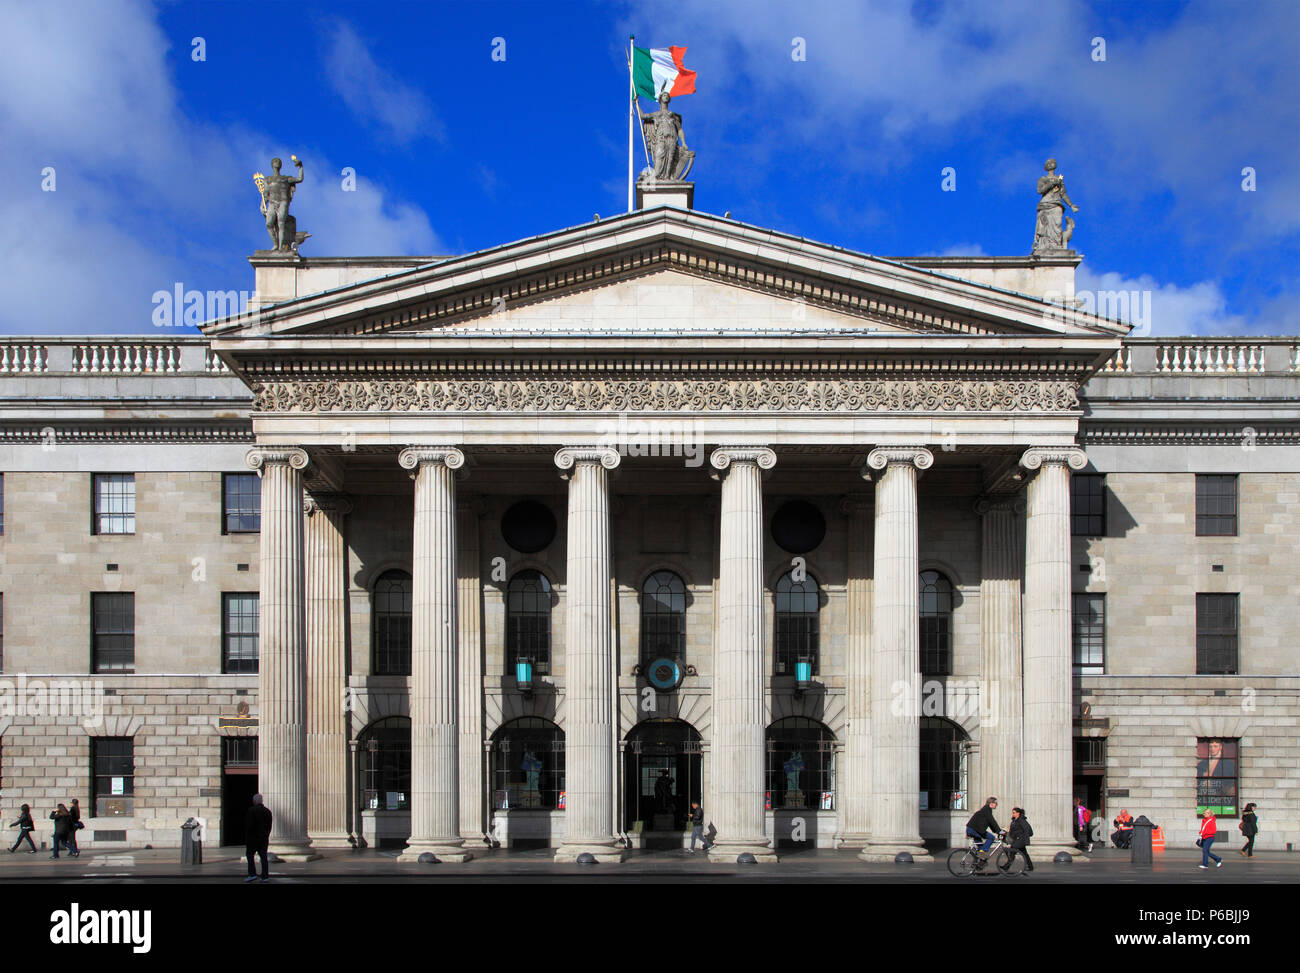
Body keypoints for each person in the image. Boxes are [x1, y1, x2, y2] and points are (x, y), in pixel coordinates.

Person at [244, 793, 273, 883]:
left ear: (254, 801)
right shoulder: (267, 811)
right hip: (264, 838)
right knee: (263, 857)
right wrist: (266, 834)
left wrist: (248, 836)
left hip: (253, 838)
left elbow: (249, 825)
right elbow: (269, 825)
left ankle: (252, 874)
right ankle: (265, 876)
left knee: (250, 856)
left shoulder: (251, 810)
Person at [1004, 807, 1034, 874]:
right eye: (1012, 813)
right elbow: (1014, 830)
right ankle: (1030, 866)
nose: (1013, 814)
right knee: (1024, 854)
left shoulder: (1021, 820)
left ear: (1018, 813)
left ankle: (1006, 866)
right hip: (1017, 839)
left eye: (1014, 813)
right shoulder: (1015, 820)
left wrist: (1026, 840)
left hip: (1020, 840)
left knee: (1012, 852)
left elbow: (1027, 830)